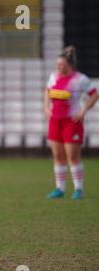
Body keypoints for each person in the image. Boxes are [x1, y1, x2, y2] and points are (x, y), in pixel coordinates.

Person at [45, 46, 98, 199]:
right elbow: (47, 91)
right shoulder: (53, 77)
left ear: (70, 65)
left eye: (62, 65)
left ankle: (78, 189)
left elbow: (94, 95)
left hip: (71, 122)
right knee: (57, 155)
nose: (59, 67)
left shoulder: (80, 79)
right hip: (55, 121)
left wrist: (83, 110)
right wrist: (46, 108)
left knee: (72, 155)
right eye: (58, 64)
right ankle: (59, 189)